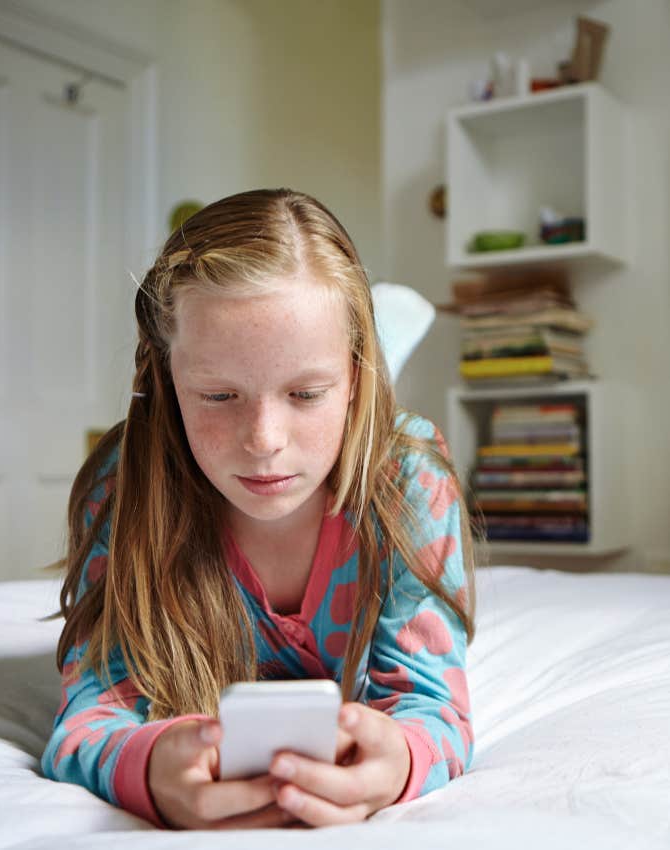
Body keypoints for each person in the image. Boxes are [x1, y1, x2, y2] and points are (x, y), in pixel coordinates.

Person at [41, 188, 476, 829]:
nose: (264, 439)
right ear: (165, 381)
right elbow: (91, 713)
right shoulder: (125, 485)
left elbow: (432, 706)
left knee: (378, 433)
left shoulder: (409, 476)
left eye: (305, 392)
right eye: (219, 395)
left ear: (354, 379)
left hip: (370, 433)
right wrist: (151, 765)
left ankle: (384, 340)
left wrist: (400, 759)